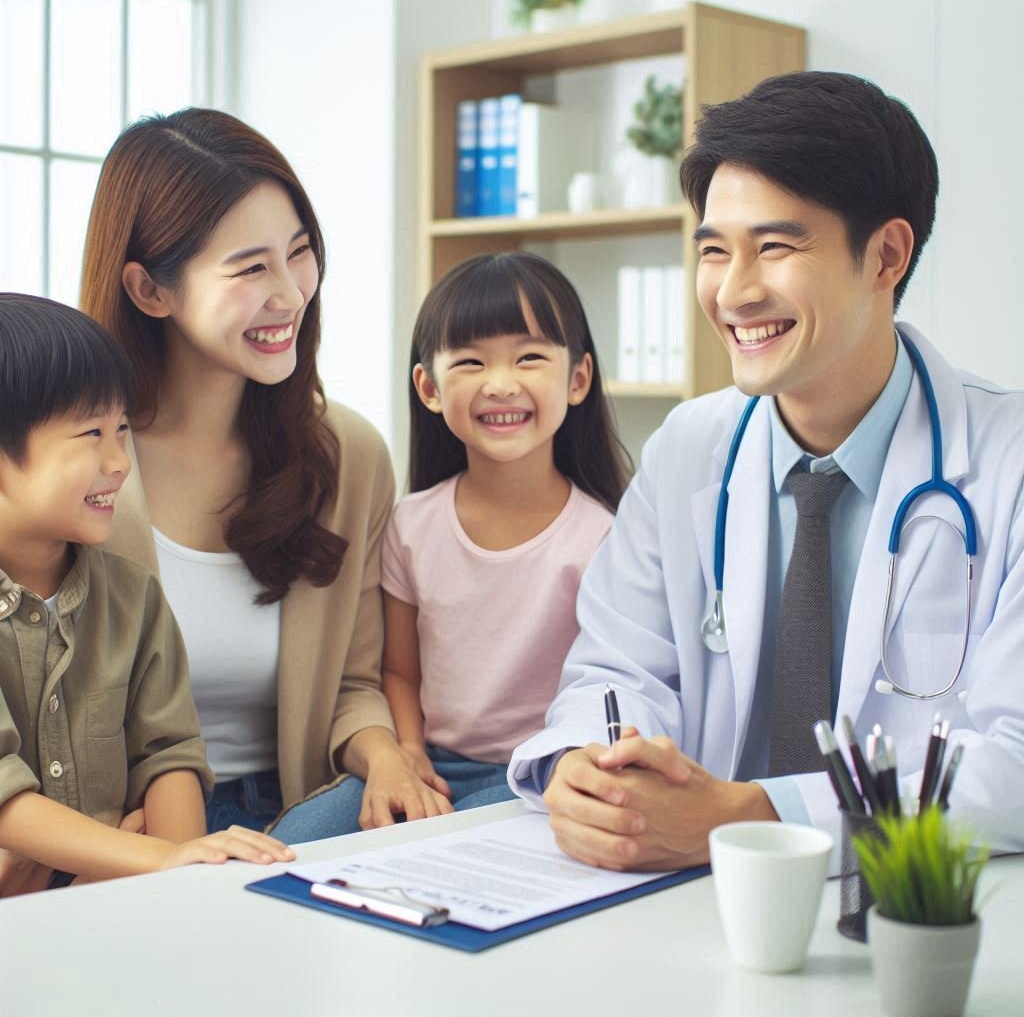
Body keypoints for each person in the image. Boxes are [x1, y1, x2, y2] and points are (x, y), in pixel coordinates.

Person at [509, 71, 1024, 871]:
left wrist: (764, 815)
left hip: (910, 915)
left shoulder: (1009, 459)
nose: (734, 291)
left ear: (886, 254)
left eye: (775, 247)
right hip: (691, 906)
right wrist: (584, 766)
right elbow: (615, 671)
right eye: (714, 251)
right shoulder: (689, 449)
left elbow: (1017, 763)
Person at [78, 108, 446, 842]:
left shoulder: (347, 455)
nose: (290, 293)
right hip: (124, 830)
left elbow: (353, 684)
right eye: (250, 268)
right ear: (151, 290)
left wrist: (389, 759)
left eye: (300, 252)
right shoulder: (74, 465)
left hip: (297, 819)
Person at [270, 252, 632, 840]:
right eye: (470, 362)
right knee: (295, 842)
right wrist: (407, 751)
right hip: (429, 760)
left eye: (530, 357)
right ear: (429, 388)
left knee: (440, 851)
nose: (500, 383)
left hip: (540, 770)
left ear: (578, 380)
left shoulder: (602, 537)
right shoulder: (412, 525)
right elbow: (400, 673)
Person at [0, 294, 294, 894]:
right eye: (90, 433)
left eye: (123, 430)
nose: (118, 461)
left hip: (114, 898)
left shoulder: (134, 598)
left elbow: (169, 751)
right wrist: (148, 859)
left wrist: (173, 870)